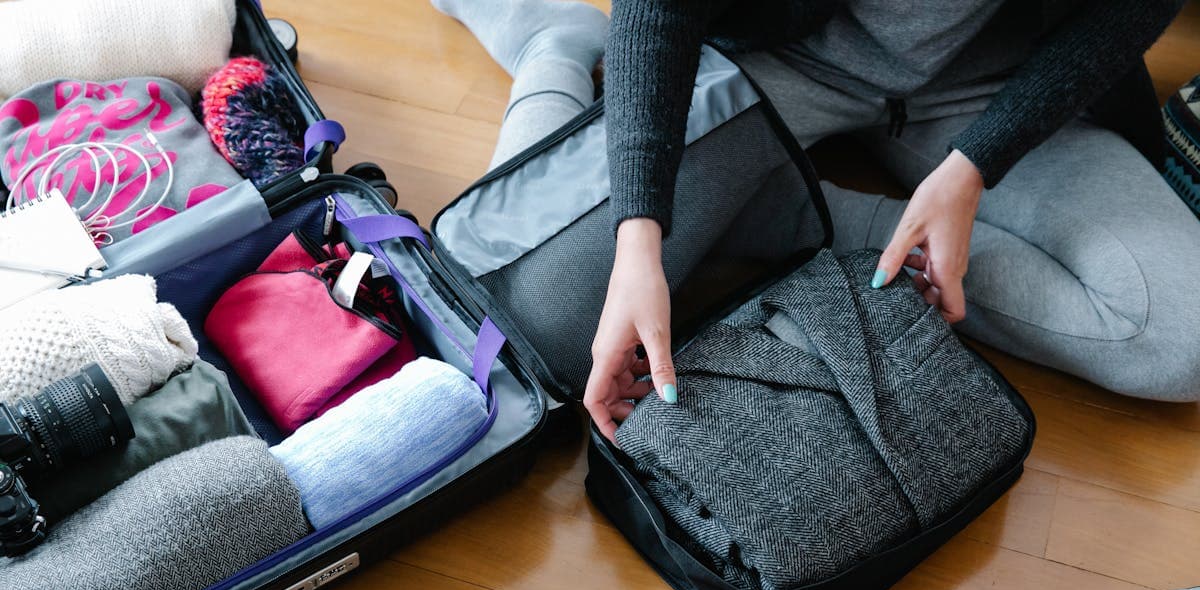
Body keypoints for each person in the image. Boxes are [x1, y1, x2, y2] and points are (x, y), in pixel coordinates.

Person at [432, 0, 1200, 443]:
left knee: (1179, 333)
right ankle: (555, 43)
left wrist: (974, 169)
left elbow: (1122, 12)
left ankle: (784, 208)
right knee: (525, 321)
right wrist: (640, 234)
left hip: (994, 88)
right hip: (783, 58)